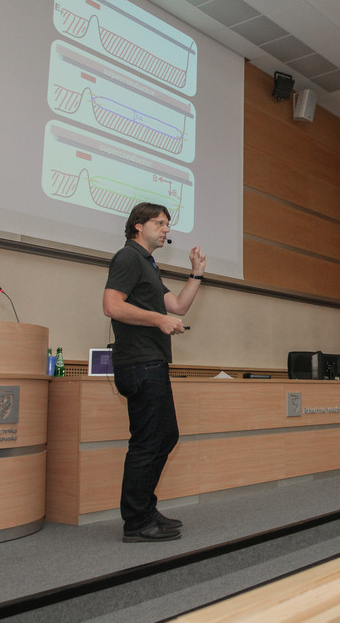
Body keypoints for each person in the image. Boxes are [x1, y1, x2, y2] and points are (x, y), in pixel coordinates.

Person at [103, 202, 207, 543]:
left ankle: (145, 509)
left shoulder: (147, 264)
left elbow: (177, 306)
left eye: (167, 224)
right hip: (138, 362)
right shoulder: (128, 257)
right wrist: (159, 320)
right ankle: (136, 521)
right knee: (148, 441)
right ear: (138, 226)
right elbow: (112, 305)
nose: (166, 229)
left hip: (152, 362)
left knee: (165, 436)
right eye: (159, 223)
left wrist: (196, 273)